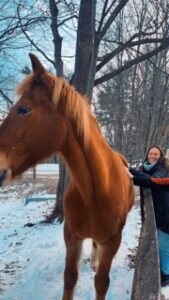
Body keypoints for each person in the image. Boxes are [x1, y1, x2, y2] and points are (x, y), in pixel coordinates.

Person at [129, 145, 169, 287]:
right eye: (151, 153)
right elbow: (149, 177)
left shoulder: (163, 169)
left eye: (156, 154)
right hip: (160, 211)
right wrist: (131, 170)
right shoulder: (149, 168)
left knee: (164, 246)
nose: (152, 155)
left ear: (161, 156)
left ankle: (165, 275)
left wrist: (133, 177)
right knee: (162, 243)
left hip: (166, 214)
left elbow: (155, 181)